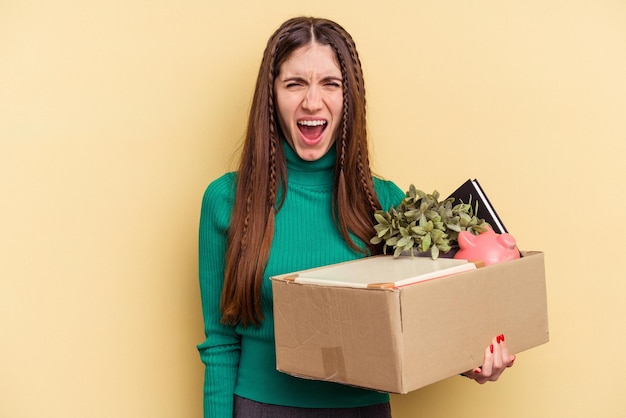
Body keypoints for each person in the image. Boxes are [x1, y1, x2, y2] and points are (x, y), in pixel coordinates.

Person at [197, 16, 515, 418]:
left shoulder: (387, 206)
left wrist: (472, 359)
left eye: (330, 84)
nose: (312, 102)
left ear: (350, 97)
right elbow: (221, 343)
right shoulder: (227, 200)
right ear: (271, 94)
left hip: (362, 409)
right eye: (295, 83)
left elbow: (418, 328)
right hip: (261, 408)